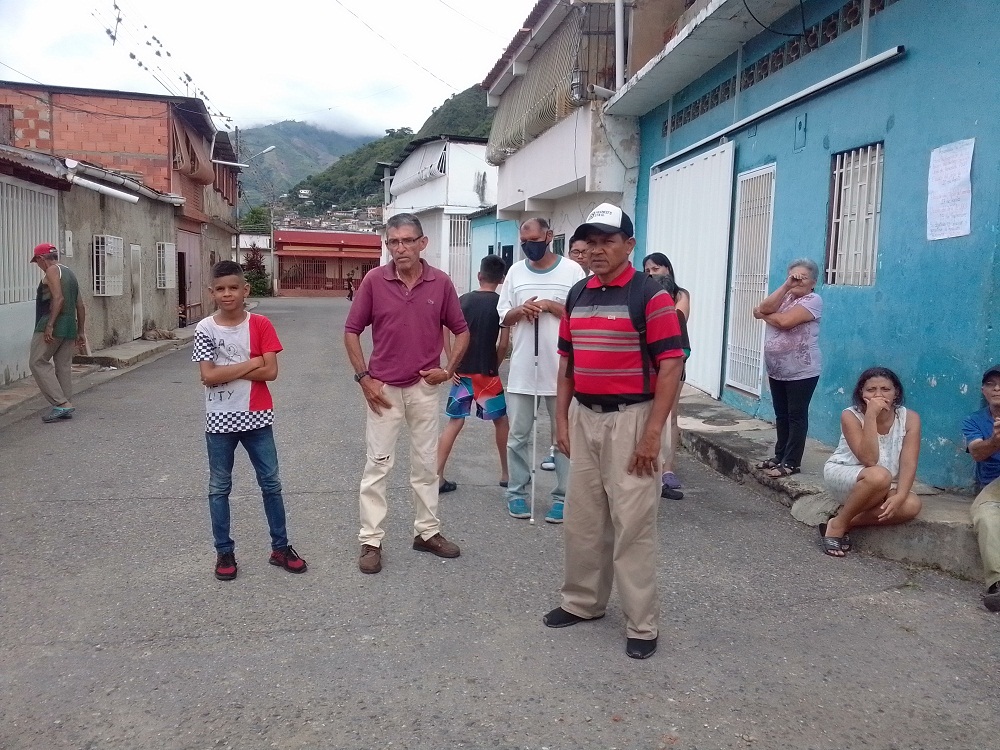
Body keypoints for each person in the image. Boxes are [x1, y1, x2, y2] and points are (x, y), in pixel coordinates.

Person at [543, 203, 684, 660]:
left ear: (630, 244)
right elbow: (567, 363)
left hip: (633, 420)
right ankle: (582, 602)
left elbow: (671, 367)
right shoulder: (579, 293)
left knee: (633, 525)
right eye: (593, 241)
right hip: (585, 417)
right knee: (582, 518)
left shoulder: (651, 296)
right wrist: (561, 420)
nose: (598, 250)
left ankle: (642, 624)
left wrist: (652, 436)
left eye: (609, 240)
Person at [344, 213, 470, 574]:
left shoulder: (441, 283)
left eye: (406, 241)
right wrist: (364, 378)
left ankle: (427, 533)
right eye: (393, 242)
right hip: (383, 389)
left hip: (424, 389)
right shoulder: (373, 281)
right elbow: (351, 331)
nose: (399, 248)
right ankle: (371, 540)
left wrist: (447, 370)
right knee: (378, 465)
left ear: (422, 243)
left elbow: (461, 331)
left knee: (426, 465)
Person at [191, 260, 307, 581]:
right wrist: (252, 361)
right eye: (220, 289)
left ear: (246, 290)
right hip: (219, 420)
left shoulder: (261, 325)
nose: (227, 294)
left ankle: (280, 547)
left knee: (271, 484)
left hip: (257, 416)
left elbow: (271, 372)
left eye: (233, 288)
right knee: (219, 487)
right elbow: (208, 376)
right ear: (211, 292)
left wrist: (230, 370)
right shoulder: (205, 329)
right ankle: (224, 552)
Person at [497, 218, 586, 523]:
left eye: (535, 239)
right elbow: (504, 315)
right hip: (524, 367)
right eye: (524, 242)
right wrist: (521, 311)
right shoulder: (515, 272)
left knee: (564, 437)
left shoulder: (572, 271)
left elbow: (580, 313)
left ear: (549, 236)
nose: (529, 246)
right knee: (518, 436)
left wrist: (550, 305)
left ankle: (564, 496)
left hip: (562, 369)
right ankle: (517, 494)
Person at [821, 367, 922, 557]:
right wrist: (870, 416)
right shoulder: (850, 415)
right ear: (861, 392)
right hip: (847, 473)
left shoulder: (910, 419)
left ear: (896, 392)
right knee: (879, 475)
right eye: (871, 390)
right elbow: (869, 459)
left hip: (882, 481)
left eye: (885, 389)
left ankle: (844, 521)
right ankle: (837, 527)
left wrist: (900, 495)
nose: (878, 395)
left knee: (911, 504)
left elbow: (909, 462)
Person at [437, 255, 511, 492]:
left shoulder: (463, 300)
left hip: (462, 374)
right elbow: (503, 344)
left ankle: (436, 475)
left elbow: (446, 329)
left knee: (454, 422)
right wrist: (495, 364)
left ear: (479, 276)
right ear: (501, 279)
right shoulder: (502, 305)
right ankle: (507, 474)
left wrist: (452, 363)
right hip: (487, 374)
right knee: (501, 422)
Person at [753, 259, 823, 478]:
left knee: (796, 416)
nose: (797, 281)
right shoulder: (786, 296)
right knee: (781, 415)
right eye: (793, 276)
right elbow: (763, 307)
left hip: (802, 370)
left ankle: (792, 462)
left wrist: (764, 316)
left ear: (813, 281)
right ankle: (780, 455)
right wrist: (786, 286)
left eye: (802, 277)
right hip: (777, 370)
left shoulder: (814, 300)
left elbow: (784, 322)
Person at [643, 252, 691, 500]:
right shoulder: (641, 294)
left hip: (673, 360)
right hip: (647, 363)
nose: (651, 273)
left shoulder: (680, 295)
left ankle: (668, 468)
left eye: (656, 268)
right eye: (647, 269)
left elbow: (678, 318)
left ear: (668, 270)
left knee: (670, 414)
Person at [28, 243, 87, 423]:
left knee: (37, 362)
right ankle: (65, 403)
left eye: (37, 261)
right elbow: (80, 305)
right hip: (69, 325)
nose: (38, 266)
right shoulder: (69, 272)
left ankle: (61, 403)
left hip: (51, 323)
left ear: (41, 258)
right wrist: (81, 331)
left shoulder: (52, 271)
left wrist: (50, 325)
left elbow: (58, 298)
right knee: (63, 365)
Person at [962, 365, 1000, 611]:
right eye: (991, 384)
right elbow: (976, 452)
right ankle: (998, 583)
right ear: (983, 390)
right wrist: (996, 440)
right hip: (994, 485)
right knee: (985, 513)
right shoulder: (974, 421)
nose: (997, 388)